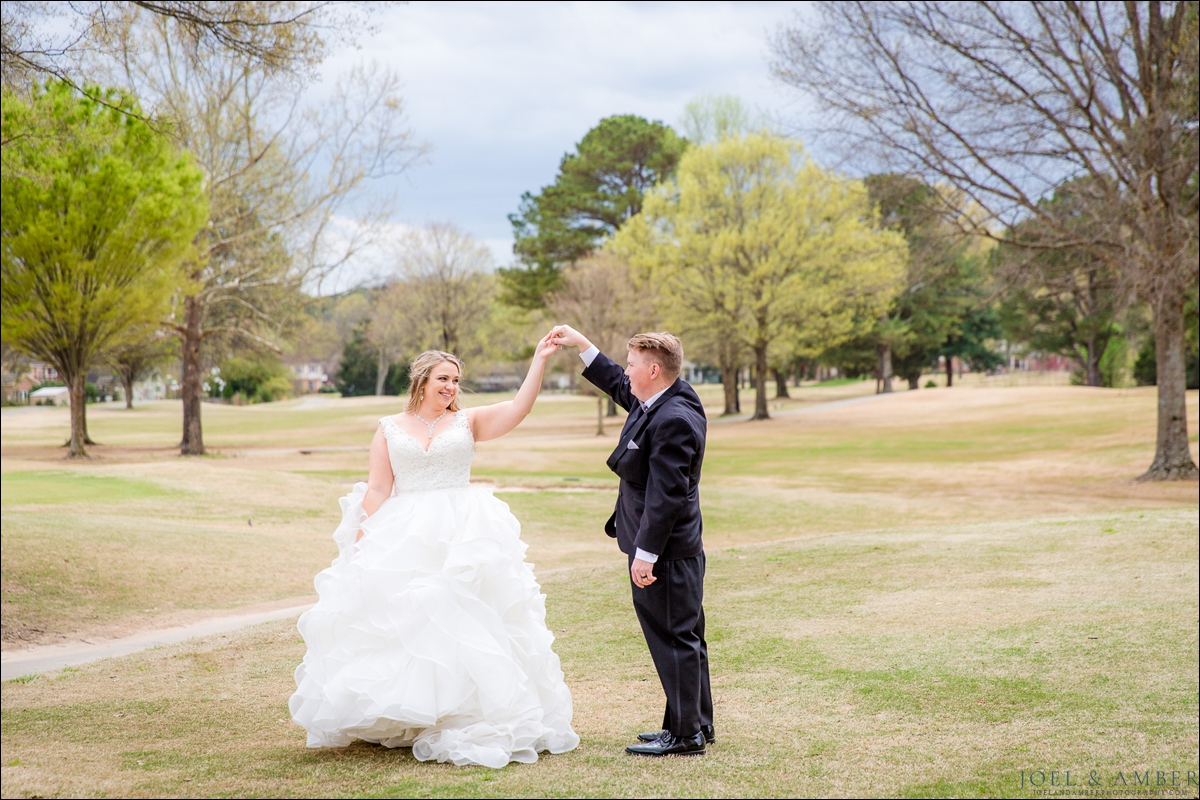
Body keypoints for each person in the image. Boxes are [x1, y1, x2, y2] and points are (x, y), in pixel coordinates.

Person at [289, 332, 580, 768]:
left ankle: (462, 712)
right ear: (422, 380)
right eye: (444, 378)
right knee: (409, 620)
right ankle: (409, 713)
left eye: (457, 380)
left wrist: (539, 360)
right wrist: (359, 542)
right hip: (404, 531)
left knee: (460, 615)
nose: (451, 387)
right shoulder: (389, 428)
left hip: (461, 529)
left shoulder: (469, 422)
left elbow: (519, 408)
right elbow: (378, 488)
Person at [550, 325, 713, 757]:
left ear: (654, 370)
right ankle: (695, 722)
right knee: (687, 635)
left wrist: (646, 556)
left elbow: (667, 495)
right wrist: (584, 345)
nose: (627, 371)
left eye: (633, 364)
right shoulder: (665, 397)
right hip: (673, 550)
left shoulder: (674, 419)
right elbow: (621, 386)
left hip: (666, 552)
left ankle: (686, 736)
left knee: (673, 637)